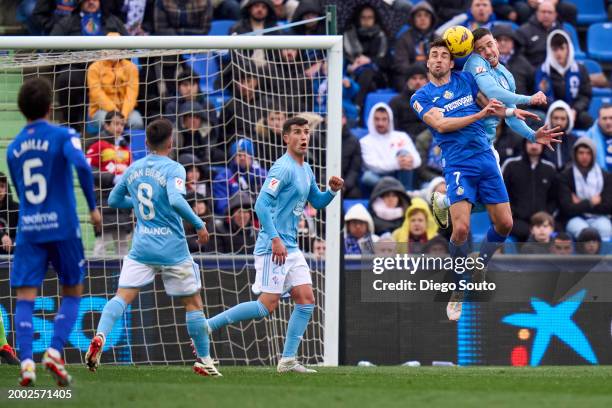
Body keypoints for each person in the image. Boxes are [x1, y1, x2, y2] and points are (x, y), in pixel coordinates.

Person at [205, 116, 343, 373]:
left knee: (306, 300)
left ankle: (288, 360)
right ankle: (208, 325)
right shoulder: (282, 168)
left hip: (291, 247)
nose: (304, 137)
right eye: (297, 132)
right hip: (273, 246)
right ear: (285, 138)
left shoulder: (306, 168)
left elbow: (318, 202)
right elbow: (260, 205)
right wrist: (275, 238)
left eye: (306, 132)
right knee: (266, 306)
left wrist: (332, 192)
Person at [84, 119, 221, 377]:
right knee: (193, 303)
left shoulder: (134, 168)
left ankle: (100, 334)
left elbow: (113, 199)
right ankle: (204, 359)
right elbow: (175, 199)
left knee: (122, 296)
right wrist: (199, 224)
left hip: (142, 247)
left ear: (146, 143)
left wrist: (135, 203)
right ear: (171, 142)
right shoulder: (174, 168)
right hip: (173, 249)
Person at [410, 38, 520, 321]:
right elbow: (441, 124)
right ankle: (458, 291)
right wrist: (479, 115)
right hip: (458, 163)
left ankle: (478, 265)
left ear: (451, 61)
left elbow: (491, 105)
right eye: (433, 55)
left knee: (506, 224)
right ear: (427, 62)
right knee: (460, 230)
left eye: (443, 56)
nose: (437, 59)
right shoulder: (420, 97)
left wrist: (515, 114)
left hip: (484, 157)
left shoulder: (466, 80)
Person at [7, 78, 101, 386]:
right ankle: (55, 351)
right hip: (62, 227)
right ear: (51, 107)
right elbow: (83, 167)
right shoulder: (64, 134)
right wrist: (93, 207)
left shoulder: (13, 148)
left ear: (22, 111)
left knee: (24, 298)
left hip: (29, 230)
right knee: (72, 291)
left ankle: (25, 363)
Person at [86, 111, 133, 256]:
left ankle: (124, 277)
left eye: (122, 124)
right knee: (102, 244)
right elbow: (88, 170)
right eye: (116, 123)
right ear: (106, 125)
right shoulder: (97, 145)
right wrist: (111, 178)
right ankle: (94, 277)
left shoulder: (126, 149)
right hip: (103, 198)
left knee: (123, 245)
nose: (119, 127)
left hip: (122, 200)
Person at [535, 30, 593, 129]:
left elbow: (585, 95)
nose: (558, 53)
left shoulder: (580, 69)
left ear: (568, 49)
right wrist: (557, 110)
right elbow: (540, 97)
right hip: (550, 112)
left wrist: (575, 110)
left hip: (574, 112)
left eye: (562, 48)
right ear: (550, 50)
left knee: (586, 119)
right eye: (554, 49)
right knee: (538, 118)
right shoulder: (543, 70)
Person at [557, 137, 612, 242]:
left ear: (593, 155)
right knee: (584, 232)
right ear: (575, 154)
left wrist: (579, 204)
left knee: (606, 229)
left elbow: (608, 206)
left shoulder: (605, 176)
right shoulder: (565, 176)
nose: (584, 157)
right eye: (581, 153)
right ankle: (582, 259)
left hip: (600, 217)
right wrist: (591, 202)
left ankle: (605, 259)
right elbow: (567, 209)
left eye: (588, 153)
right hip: (575, 219)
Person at [502, 140, 557, 242]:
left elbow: (554, 197)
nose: (534, 145)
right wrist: (512, 212)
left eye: (537, 143)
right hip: (517, 219)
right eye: (530, 142)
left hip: (543, 220)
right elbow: (502, 193)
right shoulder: (511, 165)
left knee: (549, 233)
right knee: (528, 233)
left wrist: (547, 215)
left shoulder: (550, 168)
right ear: (524, 144)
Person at [360, 103, 421, 191]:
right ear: (371, 120)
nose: (380, 123)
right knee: (368, 177)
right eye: (377, 119)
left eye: (384, 119)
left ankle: (405, 191)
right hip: (380, 177)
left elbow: (417, 160)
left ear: (390, 120)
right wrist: (397, 163)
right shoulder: (364, 141)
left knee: (405, 154)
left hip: (400, 175)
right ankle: (396, 190)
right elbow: (372, 166)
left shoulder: (402, 136)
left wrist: (409, 161)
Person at [86, 38, 144, 131]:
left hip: (126, 111)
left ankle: (127, 145)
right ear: (104, 49)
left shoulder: (131, 67)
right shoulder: (94, 68)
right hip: (101, 110)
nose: (114, 51)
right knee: (104, 121)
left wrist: (123, 115)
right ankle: (107, 145)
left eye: (117, 48)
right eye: (111, 47)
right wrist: (115, 114)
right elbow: (97, 94)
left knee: (137, 122)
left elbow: (132, 94)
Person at [343, 5, 390, 110]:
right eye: (363, 17)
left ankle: (357, 105)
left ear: (375, 18)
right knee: (369, 84)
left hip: (377, 73)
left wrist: (369, 60)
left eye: (370, 17)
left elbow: (387, 62)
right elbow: (345, 59)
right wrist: (353, 65)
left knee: (367, 73)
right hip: (353, 71)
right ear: (358, 18)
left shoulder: (381, 36)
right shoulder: (350, 34)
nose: (366, 20)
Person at [212, 138, 267, 216]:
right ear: (233, 158)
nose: (242, 157)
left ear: (251, 156)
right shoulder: (224, 176)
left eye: (245, 154)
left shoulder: (262, 175)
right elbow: (221, 206)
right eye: (239, 155)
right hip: (233, 218)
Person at [392, 2, 437, 90]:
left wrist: (427, 74)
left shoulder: (437, 39)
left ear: (431, 19)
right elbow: (400, 64)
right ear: (413, 19)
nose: (423, 19)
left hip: (431, 75)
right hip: (409, 76)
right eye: (419, 16)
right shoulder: (403, 39)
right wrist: (416, 75)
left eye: (426, 15)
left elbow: (441, 62)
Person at [515, 0, 565, 68]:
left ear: (555, 15)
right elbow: (519, 58)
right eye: (543, 12)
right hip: (532, 72)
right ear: (537, 13)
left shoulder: (561, 32)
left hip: (556, 72)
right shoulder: (523, 31)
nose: (546, 15)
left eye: (550, 12)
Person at [491, 24, 535, 97]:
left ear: (513, 42)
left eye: (506, 39)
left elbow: (532, 87)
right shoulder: (485, 62)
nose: (502, 43)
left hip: (521, 106)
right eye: (498, 40)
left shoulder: (523, 63)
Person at [389, 63, 429, 138]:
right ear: (407, 81)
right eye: (414, 78)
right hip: (404, 142)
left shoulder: (433, 101)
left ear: (426, 81)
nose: (418, 82)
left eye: (421, 78)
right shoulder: (395, 102)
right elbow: (393, 129)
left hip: (428, 143)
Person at [542, 101, 579, 171]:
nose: (559, 122)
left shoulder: (575, 141)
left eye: (563, 119)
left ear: (568, 120)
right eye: (556, 118)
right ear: (550, 119)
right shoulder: (542, 140)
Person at [341, 113, 363, 199]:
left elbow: (354, 169)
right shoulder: (318, 138)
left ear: (344, 120)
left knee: (355, 194)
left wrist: (345, 185)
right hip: (323, 184)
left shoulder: (353, 141)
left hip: (346, 185)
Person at [586, 104, 612, 173]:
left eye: (611, 118)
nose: (608, 122)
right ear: (599, 120)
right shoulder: (588, 138)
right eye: (604, 118)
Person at [0, 172, 19, 255]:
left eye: (2, 186)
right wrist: (2, 236)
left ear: (6, 188)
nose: (0, 190)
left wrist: (13, 241)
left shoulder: (15, 207)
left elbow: (25, 230)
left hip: (9, 249)